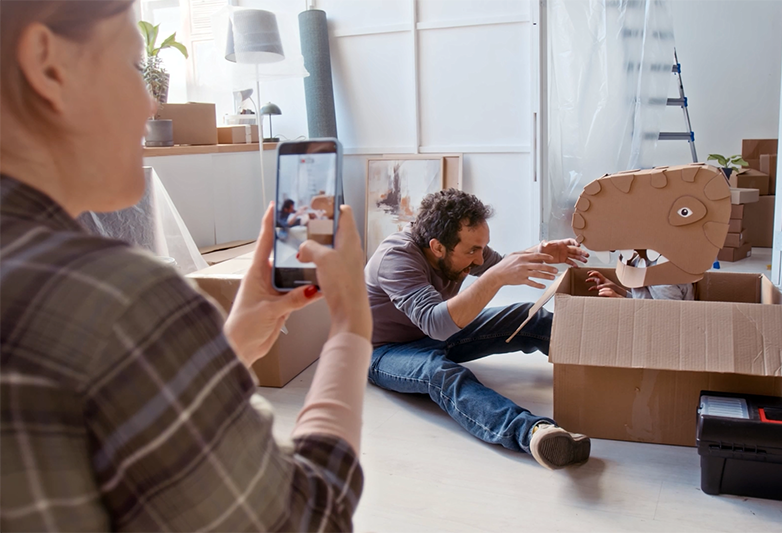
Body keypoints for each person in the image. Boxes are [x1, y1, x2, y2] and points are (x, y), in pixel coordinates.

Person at [0, 2, 372, 530]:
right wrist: (350, 328)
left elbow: (113, 425)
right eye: (133, 65)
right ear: (47, 63)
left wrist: (231, 343)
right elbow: (308, 515)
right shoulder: (118, 300)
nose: (151, 105)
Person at [365, 188, 592, 469]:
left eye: (482, 248)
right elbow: (436, 324)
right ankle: (534, 433)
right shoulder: (396, 258)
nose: (480, 260)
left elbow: (495, 265)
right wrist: (496, 279)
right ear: (437, 247)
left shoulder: (456, 249)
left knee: (526, 315)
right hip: (384, 351)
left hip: (434, 333)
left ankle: (604, 365)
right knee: (439, 372)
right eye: (472, 250)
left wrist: (540, 253)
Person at [586, 249, 695, 300]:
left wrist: (621, 301)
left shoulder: (662, 276)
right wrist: (617, 289)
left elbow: (667, 317)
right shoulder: (638, 260)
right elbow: (643, 300)